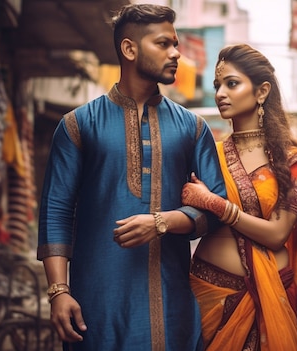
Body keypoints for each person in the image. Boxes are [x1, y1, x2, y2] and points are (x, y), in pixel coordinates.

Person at [36, 4, 226, 350]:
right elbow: (56, 213)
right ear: (129, 49)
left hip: (173, 304)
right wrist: (58, 292)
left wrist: (164, 222)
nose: (176, 53)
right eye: (164, 44)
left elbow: (218, 208)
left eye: (176, 44)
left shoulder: (193, 128)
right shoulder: (78, 126)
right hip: (94, 304)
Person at [181, 44, 297, 350]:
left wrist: (216, 204)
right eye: (217, 85)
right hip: (207, 295)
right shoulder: (210, 155)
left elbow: (276, 235)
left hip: (270, 297)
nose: (221, 93)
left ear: (261, 92)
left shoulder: (290, 161)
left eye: (231, 83)